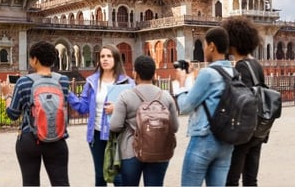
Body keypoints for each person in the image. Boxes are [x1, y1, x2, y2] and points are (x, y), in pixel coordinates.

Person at [1, 41, 70, 186]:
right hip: (57, 138)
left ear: (35, 60)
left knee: (30, 183)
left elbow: (12, 114)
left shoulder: (24, 82)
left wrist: (7, 95)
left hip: (30, 138)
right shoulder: (63, 80)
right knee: (61, 182)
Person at [67, 44, 135, 186]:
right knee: (100, 175)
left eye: (109, 56)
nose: (105, 59)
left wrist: (118, 108)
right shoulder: (92, 82)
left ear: (116, 59)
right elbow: (83, 107)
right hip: (96, 134)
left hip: (119, 134)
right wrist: (68, 94)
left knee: (118, 176)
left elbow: (136, 108)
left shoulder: (127, 83)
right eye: (102, 56)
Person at [175, 27, 234, 187]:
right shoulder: (234, 72)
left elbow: (185, 107)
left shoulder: (208, 73)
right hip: (227, 142)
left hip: (204, 139)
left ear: (212, 46)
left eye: (205, 45)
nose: (204, 49)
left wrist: (181, 83)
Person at [110, 55, 179, 186]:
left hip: (131, 150)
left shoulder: (125, 96)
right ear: (154, 74)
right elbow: (175, 127)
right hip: (159, 150)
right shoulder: (166, 97)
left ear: (135, 73)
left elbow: (114, 126)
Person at [221, 16, 266, 186]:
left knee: (231, 179)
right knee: (250, 178)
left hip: (246, 131)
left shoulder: (241, 67)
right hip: (258, 129)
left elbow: (243, 100)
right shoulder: (255, 64)